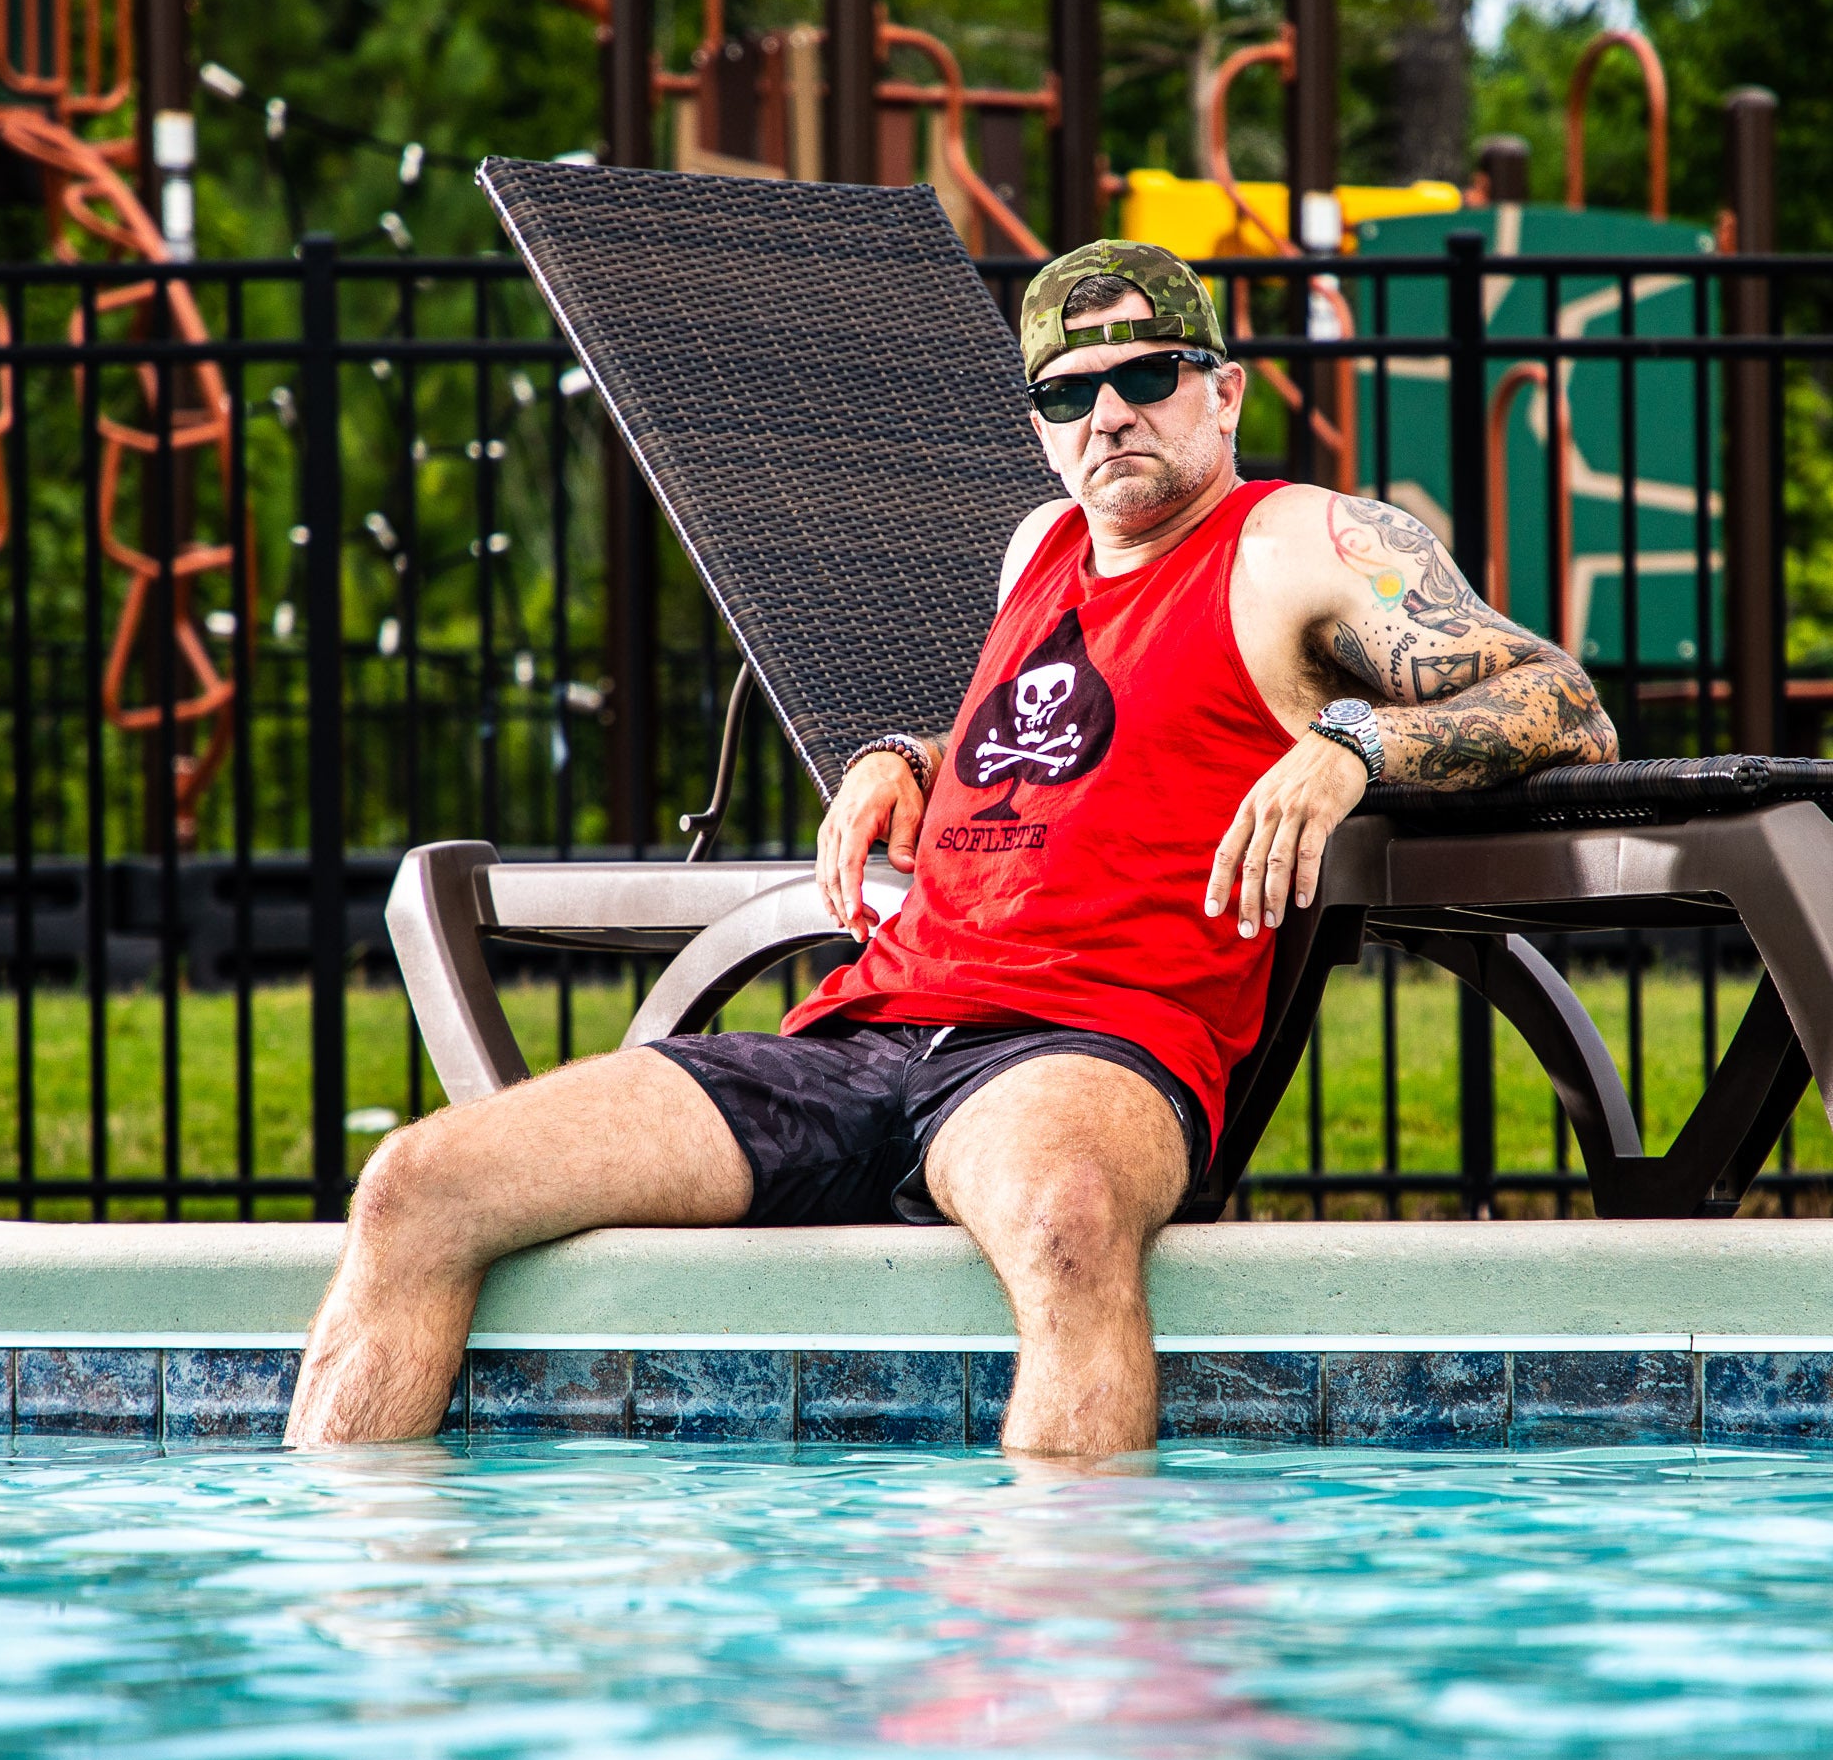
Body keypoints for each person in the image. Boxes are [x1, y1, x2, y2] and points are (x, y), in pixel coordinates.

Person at [284, 238, 1616, 1457]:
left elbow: (1561, 699)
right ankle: (365, 1643)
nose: (1110, 415)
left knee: (1067, 1225)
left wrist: (1349, 749)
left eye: (1149, 376)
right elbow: (1069, 740)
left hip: (1088, 1045)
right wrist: (909, 756)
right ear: (1039, 431)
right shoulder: (1038, 547)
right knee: (417, 1183)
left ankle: (1066, 1655)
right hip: (865, 1030)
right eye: (1067, 394)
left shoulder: (1297, 543)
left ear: (1224, 393)